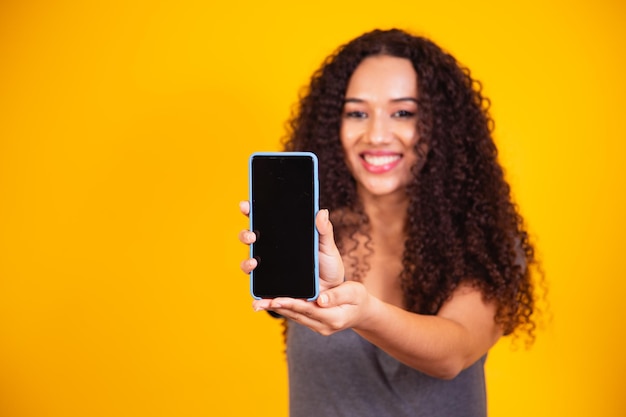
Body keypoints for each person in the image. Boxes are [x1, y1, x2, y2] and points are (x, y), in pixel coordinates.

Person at [238, 28, 540, 417]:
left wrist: (365, 313)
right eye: (357, 113)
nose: (377, 134)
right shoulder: (316, 236)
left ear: (441, 127)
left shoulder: (482, 239)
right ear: (334, 125)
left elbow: (454, 352)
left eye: (403, 112)